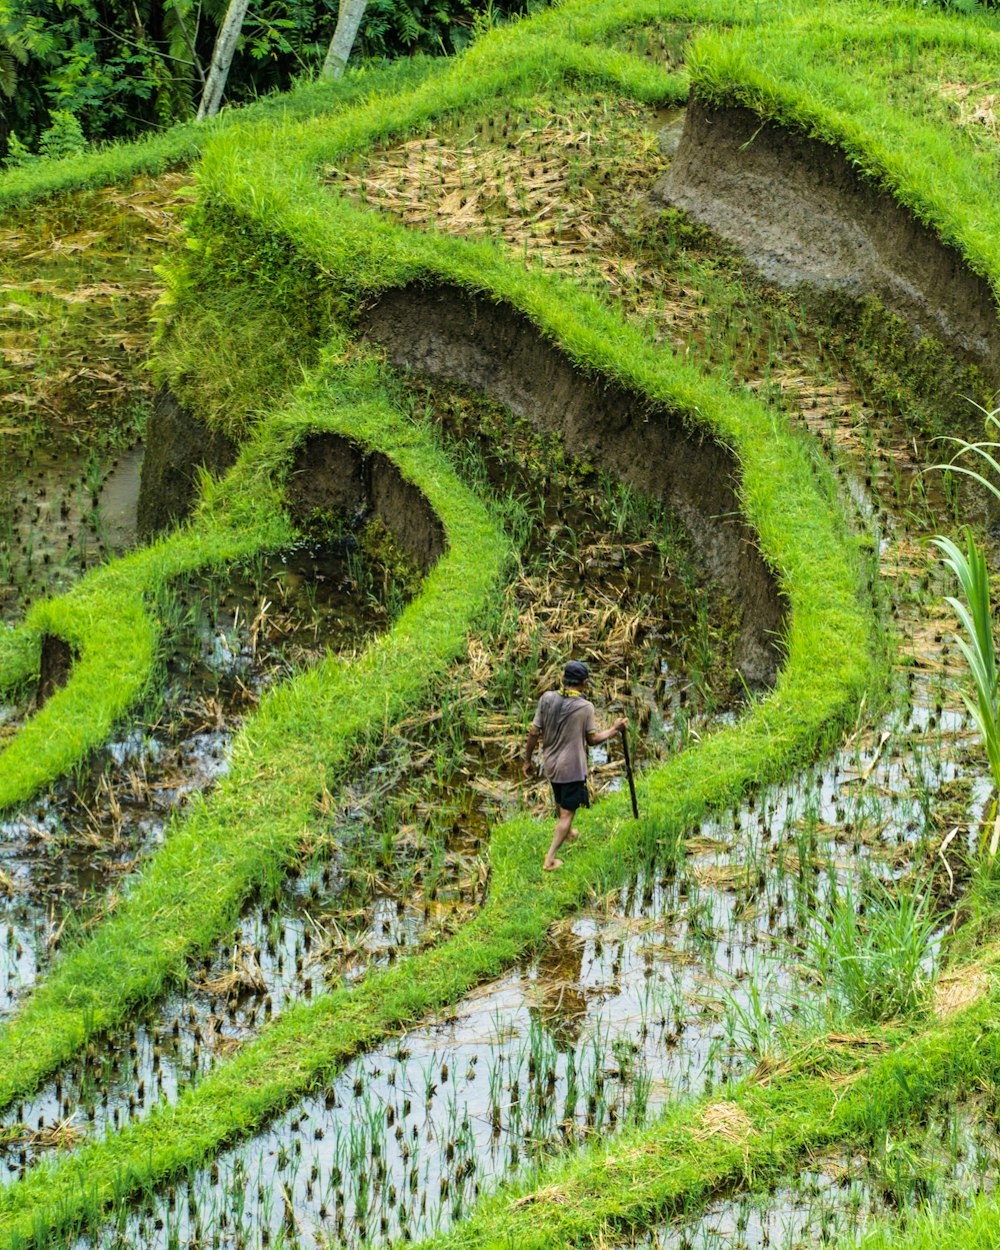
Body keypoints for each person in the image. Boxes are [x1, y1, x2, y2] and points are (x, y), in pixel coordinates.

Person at [522, 660, 628, 872]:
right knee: (566, 814)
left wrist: (527, 759)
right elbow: (593, 739)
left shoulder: (547, 699)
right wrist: (615, 729)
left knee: (562, 802)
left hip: (550, 765)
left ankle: (568, 833)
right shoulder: (585, 707)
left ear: (563, 679)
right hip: (571, 768)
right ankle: (550, 859)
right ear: (585, 683)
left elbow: (533, 732)